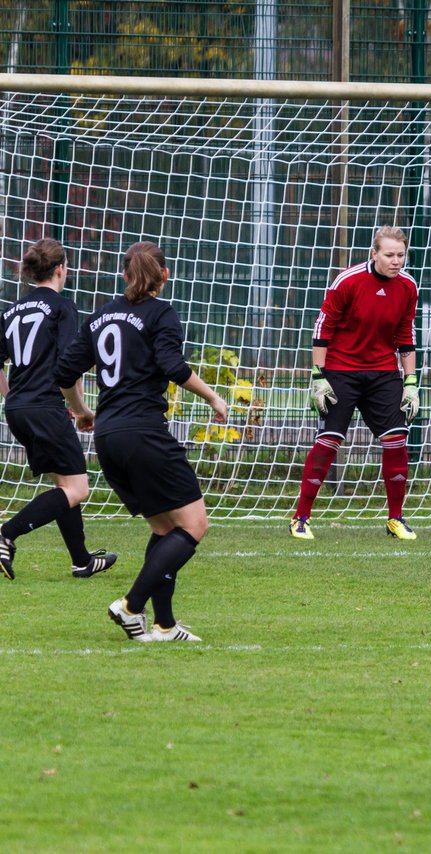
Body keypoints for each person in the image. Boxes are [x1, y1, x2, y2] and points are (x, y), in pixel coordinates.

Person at [54, 241, 228, 641]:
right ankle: (131, 605)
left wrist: (81, 411)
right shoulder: (161, 313)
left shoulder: (99, 316)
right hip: (144, 433)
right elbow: (172, 365)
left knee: (166, 529)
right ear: (165, 275)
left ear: (124, 275)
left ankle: (165, 625)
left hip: (109, 437)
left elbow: (65, 372)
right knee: (195, 525)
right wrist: (214, 397)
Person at [290, 226, 420, 541]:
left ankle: (395, 519)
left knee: (396, 440)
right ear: (374, 253)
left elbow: (405, 334)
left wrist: (411, 383)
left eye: (401, 255)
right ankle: (301, 518)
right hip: (340, 370)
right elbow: (323, 325)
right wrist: (318, 376)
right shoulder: (348, 281)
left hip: (382, 373)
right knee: (329, 440)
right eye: (389, 255)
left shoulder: (407, 287)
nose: (396, 261)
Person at [0, 239, 116, 581]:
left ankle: (81, 560)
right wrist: (81, 410)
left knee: (65, 483)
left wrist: (14, 396)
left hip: (18, 407)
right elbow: (69, 368)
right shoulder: (62, 308)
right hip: (44, 406)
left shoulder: (9, 312)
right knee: (78, 489)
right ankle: (6, 533)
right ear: (61, 269)